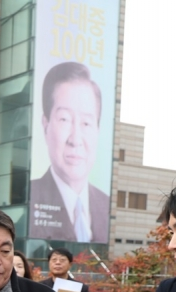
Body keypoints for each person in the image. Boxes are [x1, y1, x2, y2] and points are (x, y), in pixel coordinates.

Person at [29, 62, 110, 243]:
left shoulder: (106, 204)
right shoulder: (28, 198)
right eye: (64, 119)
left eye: (86, 123)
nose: (75, 139)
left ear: (97, 129)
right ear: (45, 124)